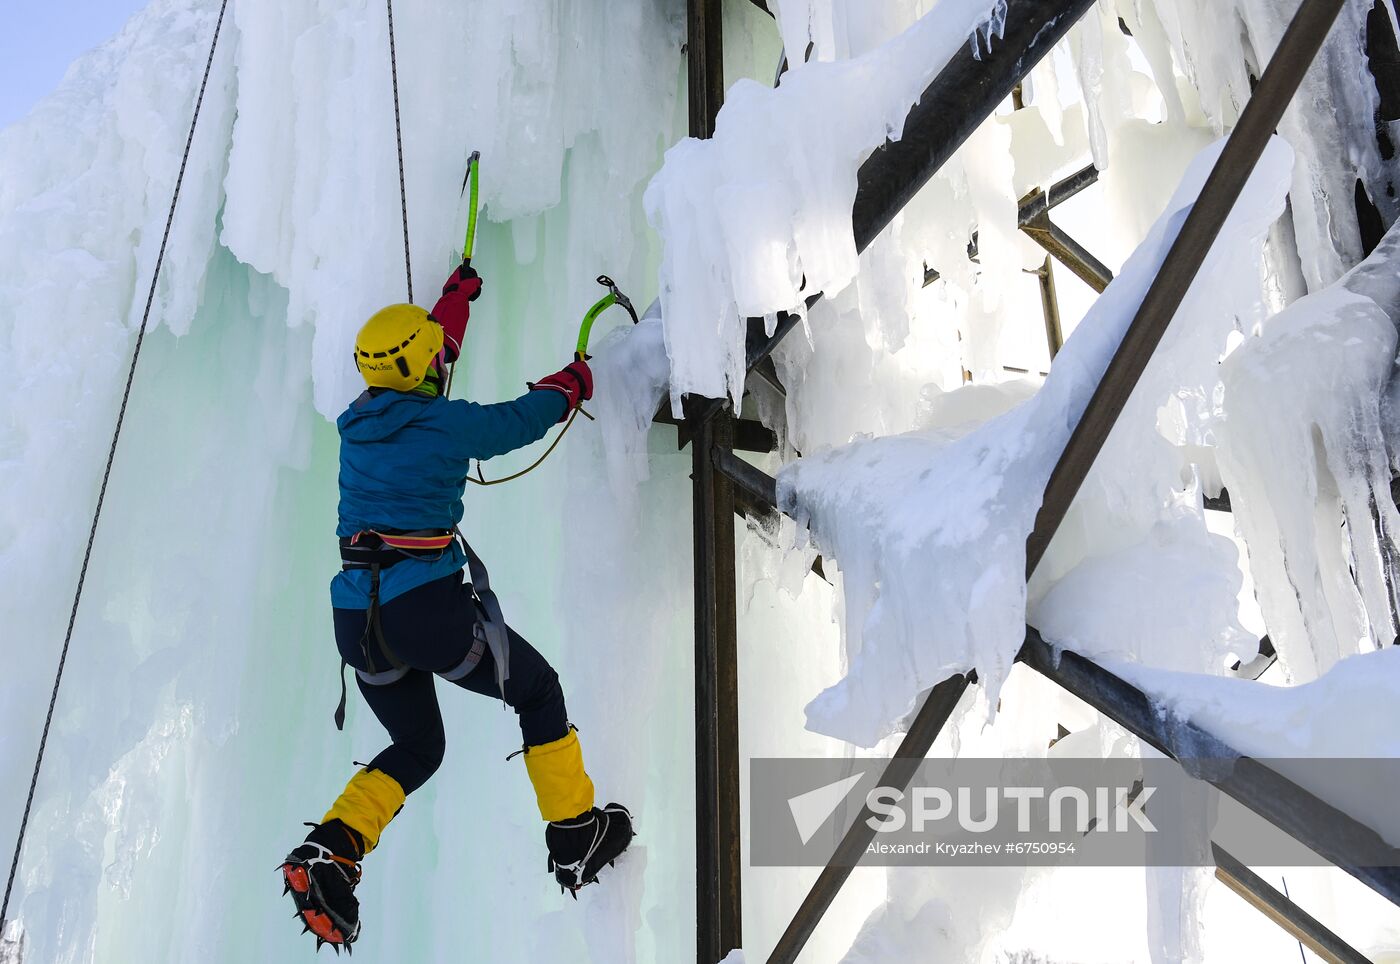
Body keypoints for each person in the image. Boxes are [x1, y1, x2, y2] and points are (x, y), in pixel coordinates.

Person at [279, 261, 633, 951]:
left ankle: (331, 851)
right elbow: (515, 421)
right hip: (424, 612)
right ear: (421, 370)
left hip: (358, 623)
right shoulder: (443, 426)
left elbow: (431, 349)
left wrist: (455, 298)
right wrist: (571, 386)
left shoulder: (360, 422)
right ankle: (575, 837)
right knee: (537, 691)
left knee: (418, 746)